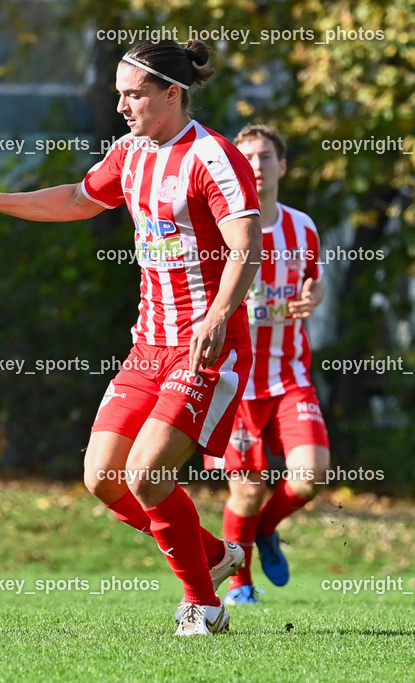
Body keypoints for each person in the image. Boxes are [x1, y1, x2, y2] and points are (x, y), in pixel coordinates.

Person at [0, 39, 262, 636]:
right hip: (148, 346)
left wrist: (218, 318)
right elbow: (76, 199)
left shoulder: (215, 158)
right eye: (118, 93)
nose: (121, 105)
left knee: (147, 475)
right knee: (102, 478)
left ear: (173, 93)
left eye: (133, 94)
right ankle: (212, 555)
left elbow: (248, 249)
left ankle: (204, 605)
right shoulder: (132, 152)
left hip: (205, 346)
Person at [201, 124, 329, 605]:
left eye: (265, 156)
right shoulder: (222, 228)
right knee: (247, 491)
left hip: (290, 377)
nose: (256, 164)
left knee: (311, 475)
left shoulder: (303, 227)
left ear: (282, 166)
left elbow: (313, 281)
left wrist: (313, 296)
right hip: (235, 381)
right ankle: (240, 585)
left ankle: (267, 532)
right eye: (247, 156)